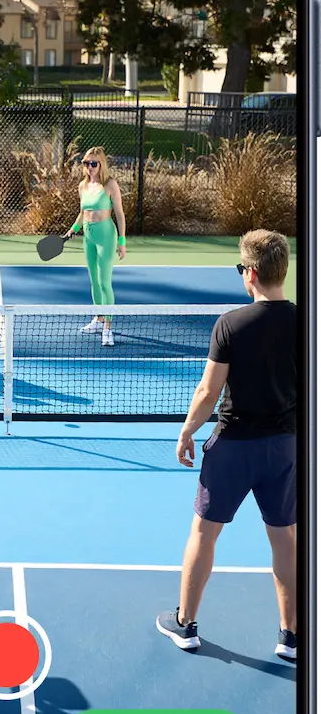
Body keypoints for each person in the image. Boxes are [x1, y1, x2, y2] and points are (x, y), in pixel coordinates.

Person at [157, 229, 297, 660]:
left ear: (250, 274)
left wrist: (186, 431)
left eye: (241, 268)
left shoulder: (231, 325)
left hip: (234, 447)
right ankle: (291, 637)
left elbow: (207, 392)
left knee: (204, 532)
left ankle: (186, 624)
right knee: (285, 538)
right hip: (285, 448)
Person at [65, 146, 126, 346]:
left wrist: (122, 241)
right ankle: (99, 318)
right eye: (86, 163)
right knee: (94, 281)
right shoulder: (83, 186)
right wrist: (73, 228)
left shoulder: (110, 185)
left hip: (106, 236)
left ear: (101, 164)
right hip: (88, 236)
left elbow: (119, 214)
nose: (89, 167)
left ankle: (108, 327)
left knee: (104, 281)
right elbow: (83, 213)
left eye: (93, 163)